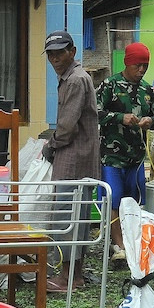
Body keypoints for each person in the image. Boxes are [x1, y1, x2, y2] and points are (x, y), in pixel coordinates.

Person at [41, 30, 101, 292]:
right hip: (79, 158)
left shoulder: (75, 80)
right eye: (51, 54)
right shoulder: (72, 77)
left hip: (74, 159)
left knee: (69, 218)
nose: (55, 58)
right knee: (78, 218)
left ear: (72, 52)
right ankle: (73, 275)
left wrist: (50, 145)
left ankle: (69, 279)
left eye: (60, 52)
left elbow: (66, 128)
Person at [97, 42, 154, 262]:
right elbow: (94, 112)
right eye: (138, 65)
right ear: (127, 63)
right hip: (112, 154)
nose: (142, 70)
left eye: (145, 65)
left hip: (135, 156)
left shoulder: (147, 90)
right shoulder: (110, 85)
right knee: (113, 199)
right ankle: (118, 246)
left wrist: (150, 121)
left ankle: (130, 242)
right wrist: (119, 117)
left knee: (132, 201)